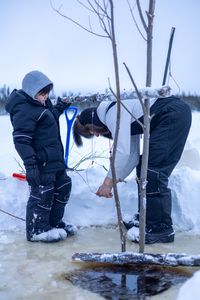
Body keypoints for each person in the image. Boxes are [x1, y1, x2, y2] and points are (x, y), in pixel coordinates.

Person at [72, 93, 191, 244]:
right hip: (169, 115)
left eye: (91, 131)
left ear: (92, 121)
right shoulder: (117, 112)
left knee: (153, 171)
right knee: (144, 166)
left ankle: (160, 229)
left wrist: (107, 183)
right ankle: (146, 217)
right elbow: (132, 156)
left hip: (171, 115)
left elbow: (122, 152)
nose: (96, 135)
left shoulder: (112, 113)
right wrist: (115, 180)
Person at [6, 70, 77, 243]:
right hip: (41, 161)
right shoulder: (24, 108)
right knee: (43, 193)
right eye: (41, 93)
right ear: (31, 91)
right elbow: (21, 140)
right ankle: (37, 230)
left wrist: (59, 108)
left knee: (64, 186)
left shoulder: (40, 105)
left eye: (46, 93)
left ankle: (53, 223)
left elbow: (48, 120)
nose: (45, 97)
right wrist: (31, 166)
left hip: (54, 159)